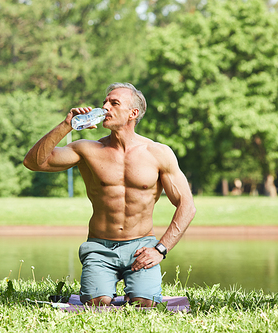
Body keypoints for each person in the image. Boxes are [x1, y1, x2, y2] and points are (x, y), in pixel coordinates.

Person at [23, 82, 196, 307]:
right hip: (100, 247)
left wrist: (159, 250)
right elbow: (33, 162)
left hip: (141, 246)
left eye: (114, 103)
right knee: (98, 302)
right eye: (105, 101)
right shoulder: (86, 149)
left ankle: (136, 293)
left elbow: (187, 205)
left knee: (144, 304)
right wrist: (66, 125)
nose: (105, 107)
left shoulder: (158, 153)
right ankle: (104, 294)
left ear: (133, 113)